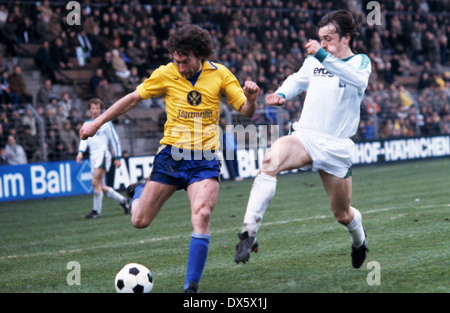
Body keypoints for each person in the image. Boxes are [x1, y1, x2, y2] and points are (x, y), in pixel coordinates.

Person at [79, 24, 259, 292]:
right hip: (171, 157)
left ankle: (191, 287)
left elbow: (245, 111)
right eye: (176, 60)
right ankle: (140, 189)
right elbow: (131, 99)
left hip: (204, 159)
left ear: (200, 55)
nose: (180, 66)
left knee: (203, 214)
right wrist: (97, 122)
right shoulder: (165, 73)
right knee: (139, 220)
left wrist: (252, 98)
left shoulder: (220, 74)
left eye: (185, 61)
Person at [234, 10, 371, 269]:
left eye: (329, 38)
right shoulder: (315, 61)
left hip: (336, 146)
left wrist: (321, 53)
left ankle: (359, 241)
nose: (323, 44)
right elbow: (299, 79)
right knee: (270, 161)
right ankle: (248, 233)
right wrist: (282, 92)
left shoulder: (360, 63)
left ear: (346, 38)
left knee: (342, 214)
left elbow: (356, 79)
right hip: (306, 135)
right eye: (321, 38)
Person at [77, 98, 130, 218]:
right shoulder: (87, 124)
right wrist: (80, 152)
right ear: (90, 110)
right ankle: (123, 201)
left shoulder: (106, 124)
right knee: (100, 186)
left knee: (94, 182)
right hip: (93, 157)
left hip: (103, 155)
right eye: (92, 108)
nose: (94, 110)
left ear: (101, 110)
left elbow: (115, 140)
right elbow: (83, 139)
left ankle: (96, 212)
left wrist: (118, 157)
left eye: (97, 108)